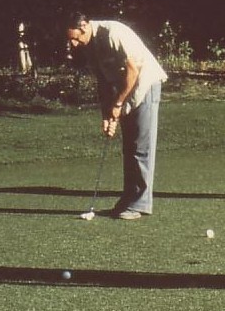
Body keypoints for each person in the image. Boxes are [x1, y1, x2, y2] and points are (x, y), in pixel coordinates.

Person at [67, 12, 168, 220]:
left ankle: (140, 204)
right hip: (126, 89)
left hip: (145, 85)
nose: (73, 44)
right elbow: (103, 81)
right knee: (129, 147)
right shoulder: (89, 46)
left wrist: (119, 103)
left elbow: (134, 69)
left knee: (141, 147)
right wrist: (107, 115)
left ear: (84, 26)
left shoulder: (113, 33)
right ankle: (127, 201)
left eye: (75, 38)